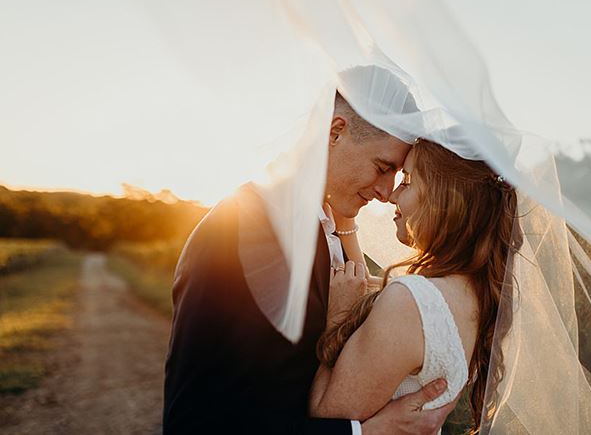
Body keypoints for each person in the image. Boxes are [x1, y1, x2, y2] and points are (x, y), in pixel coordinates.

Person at [162, 93, 456, 434]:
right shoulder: (250, 230)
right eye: (382, 168)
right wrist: (369, 432)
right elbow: (222, 414)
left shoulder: (327, 229)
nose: (386, 192)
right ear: (335, 132)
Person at [309, 138, 522, 433]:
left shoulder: (411, 302)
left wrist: (337, 317)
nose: (393, 195)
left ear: (444, 198)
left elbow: (326, 414)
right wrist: (346, 219)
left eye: (407, 181)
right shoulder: (473, 299)